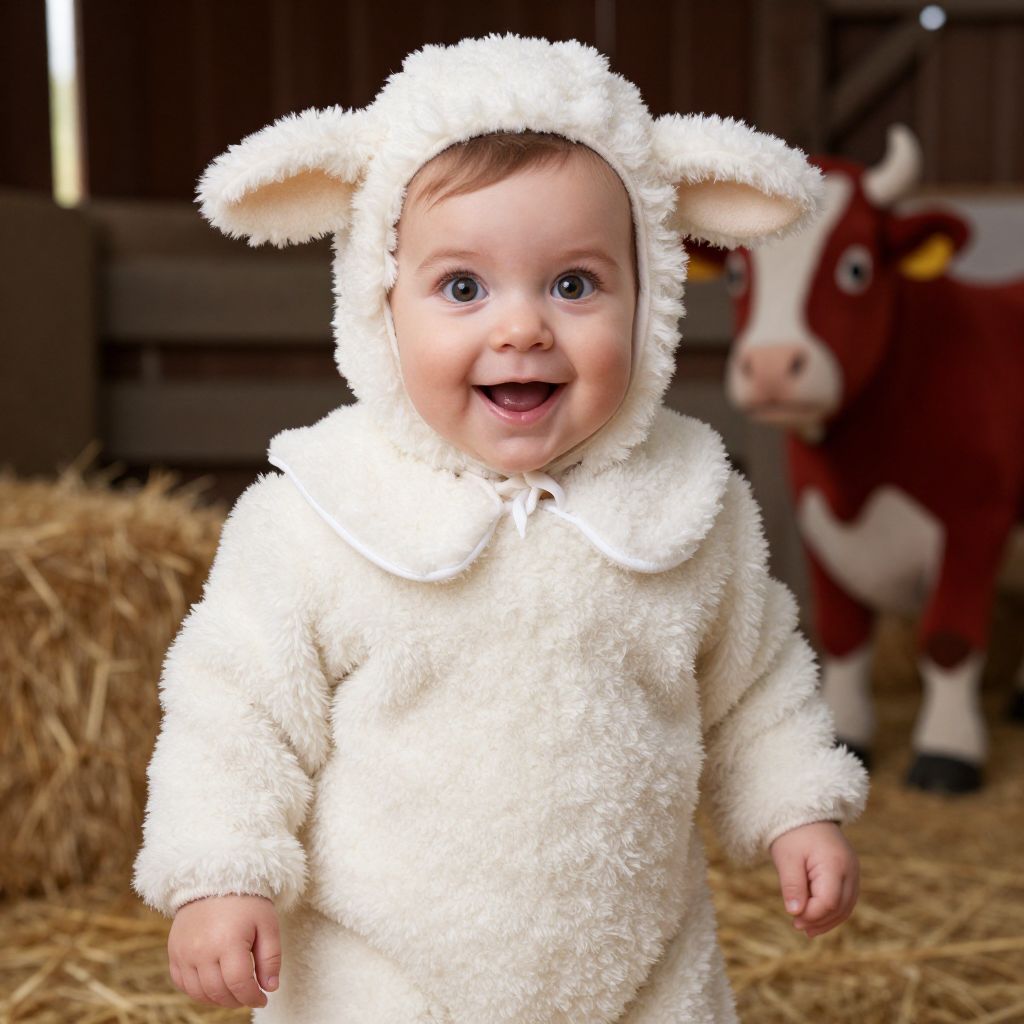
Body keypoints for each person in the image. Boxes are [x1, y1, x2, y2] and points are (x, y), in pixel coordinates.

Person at [133, 35, 868, 1023]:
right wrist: (220, 871)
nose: (521, 328)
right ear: (379, 300)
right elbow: (234, 710)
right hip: (382, 968)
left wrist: (797, 809)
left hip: (637, 967)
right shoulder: (318, 516)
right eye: (463, 288)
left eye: (573, 284)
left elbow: (758, 685)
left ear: (650, 297)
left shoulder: (690, 508)